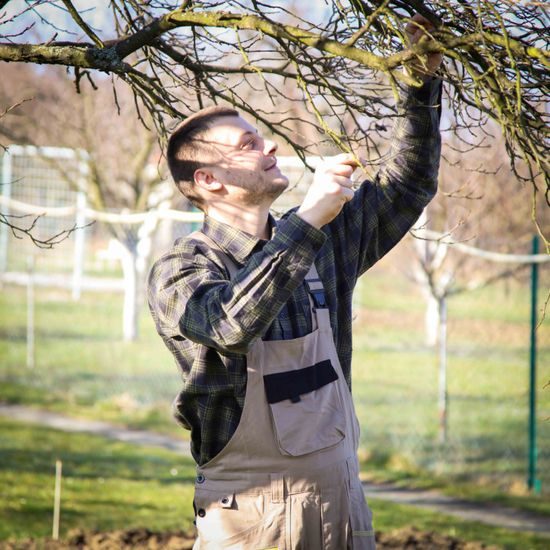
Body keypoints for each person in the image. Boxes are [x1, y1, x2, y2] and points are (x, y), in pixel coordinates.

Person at [148, 14, 443, 550]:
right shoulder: (182, 268)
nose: (270, 150)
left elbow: (411, 184)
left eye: (263, 140)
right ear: (209, 181)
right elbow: (229, 324)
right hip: (251, 520)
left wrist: (420, 85)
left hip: (344, 506)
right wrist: (307, 221)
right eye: (247, 145)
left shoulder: (320, 241)